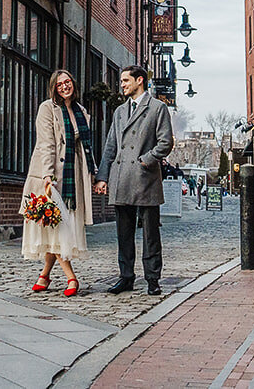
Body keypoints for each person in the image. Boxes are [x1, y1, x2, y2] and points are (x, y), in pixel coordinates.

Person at [94, 65, 174, 296]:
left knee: (150, 233)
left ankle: (152, 278)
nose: (122, 85)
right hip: (122, 178)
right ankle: (126, 277)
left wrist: (145, 160)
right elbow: (111, 145)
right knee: (124, 233)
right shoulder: (120, 111)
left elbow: (166, 142)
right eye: (121, 81)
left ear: (140, 80)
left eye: (126, 80)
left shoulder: (157, 108)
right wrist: (102, 177)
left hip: (145, 177)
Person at [21, 69, 95, 297]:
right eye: (60, 83)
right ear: (54, 87)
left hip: (74, 177)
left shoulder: (81, 111)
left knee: (61, 226)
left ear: (73, 84)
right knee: (58, 228)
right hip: (53, 175)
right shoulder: (47, 108)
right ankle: (72, 278)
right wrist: (47, 176)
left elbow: (86, 147)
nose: (65, 86)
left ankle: (44, 275)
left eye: (68, 82)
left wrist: (93, 173)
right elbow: (46, 143)